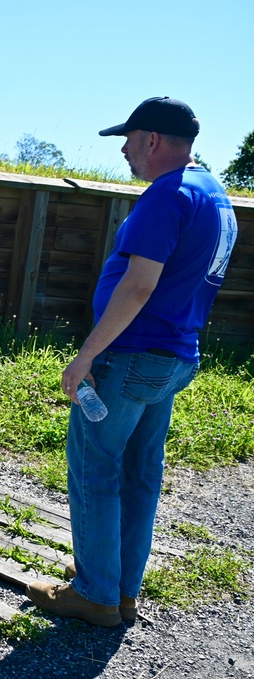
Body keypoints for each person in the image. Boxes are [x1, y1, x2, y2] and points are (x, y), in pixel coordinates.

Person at [25, 97, 239, 626]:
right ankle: (121, 591)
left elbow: (139, 285)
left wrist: (86, 355)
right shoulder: (214, 194)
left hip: (130, 358)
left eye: (129, 137)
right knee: (140, 473)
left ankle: (95, 594)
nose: (122, 148)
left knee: (95, 468)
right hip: (173, 358)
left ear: (153, 140)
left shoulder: (168, 196)